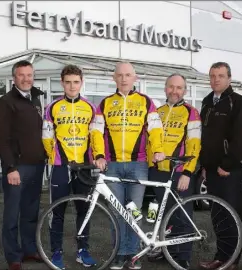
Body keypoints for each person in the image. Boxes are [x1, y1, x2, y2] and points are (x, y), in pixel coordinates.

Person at [93, 61, 165, 270]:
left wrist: (158, 148)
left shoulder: (146, 102)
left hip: (138, 164)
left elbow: (155, 128)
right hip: (113, 165)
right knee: (117, 213)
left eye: (128, 75)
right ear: (114, 78)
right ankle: (119, 254)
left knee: (133, 212)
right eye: (120, 75)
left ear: (135, 78)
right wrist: (99, 155)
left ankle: (132, 255)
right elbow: (96, 132)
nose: (124, 79)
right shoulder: (105, 104)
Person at [42, 64, 108, 269]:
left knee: (84, 210)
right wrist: (54, 157)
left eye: (76, 82)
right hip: (61, 167)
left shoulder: (90, 107)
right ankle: (56, 252)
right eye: (68, 82)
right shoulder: (52, 107)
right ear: (62, 83)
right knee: (57, 212)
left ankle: (83, 250)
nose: (72, 86)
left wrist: (99, 155)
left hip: (84, 167)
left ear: (81, 82)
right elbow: (47, 137)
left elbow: (96, 135)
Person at [198, 62, 242, 270]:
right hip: (211, 170)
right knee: (218, 216)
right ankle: (221, 257)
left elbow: (241, 137)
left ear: (229, 78)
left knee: (232, 216)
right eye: (212, 75)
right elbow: (204, 137)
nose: (216, 79)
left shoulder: (237, 102)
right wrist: (205, 165)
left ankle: (232, 261)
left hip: (229, 170)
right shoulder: (206, 102)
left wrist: (228, 164)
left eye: (220, 75)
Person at [0, 60, 47, 270]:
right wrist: (10, 167)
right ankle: (13, 256)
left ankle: (29, 250)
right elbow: (2, 138)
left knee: (30, 211)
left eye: (29, 75)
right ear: (14, 78)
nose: (26, 79)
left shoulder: (36, 98)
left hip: (37, 166)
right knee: (12, 213)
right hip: (17, 168)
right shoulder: (7, 102)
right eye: (22, 75)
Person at [147, 73, 202, 269]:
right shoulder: (157, 112)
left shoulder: (191, 112)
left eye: (179, 88)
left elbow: (194, 144)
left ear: (184, 91)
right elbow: (149, 141)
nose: (174, 91)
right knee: (163, 214)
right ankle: (167, 249)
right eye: (171, 87)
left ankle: (183, 256)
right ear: (165, 88)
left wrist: (188, 172)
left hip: (179, 173)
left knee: (182, 215)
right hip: (158, 172)